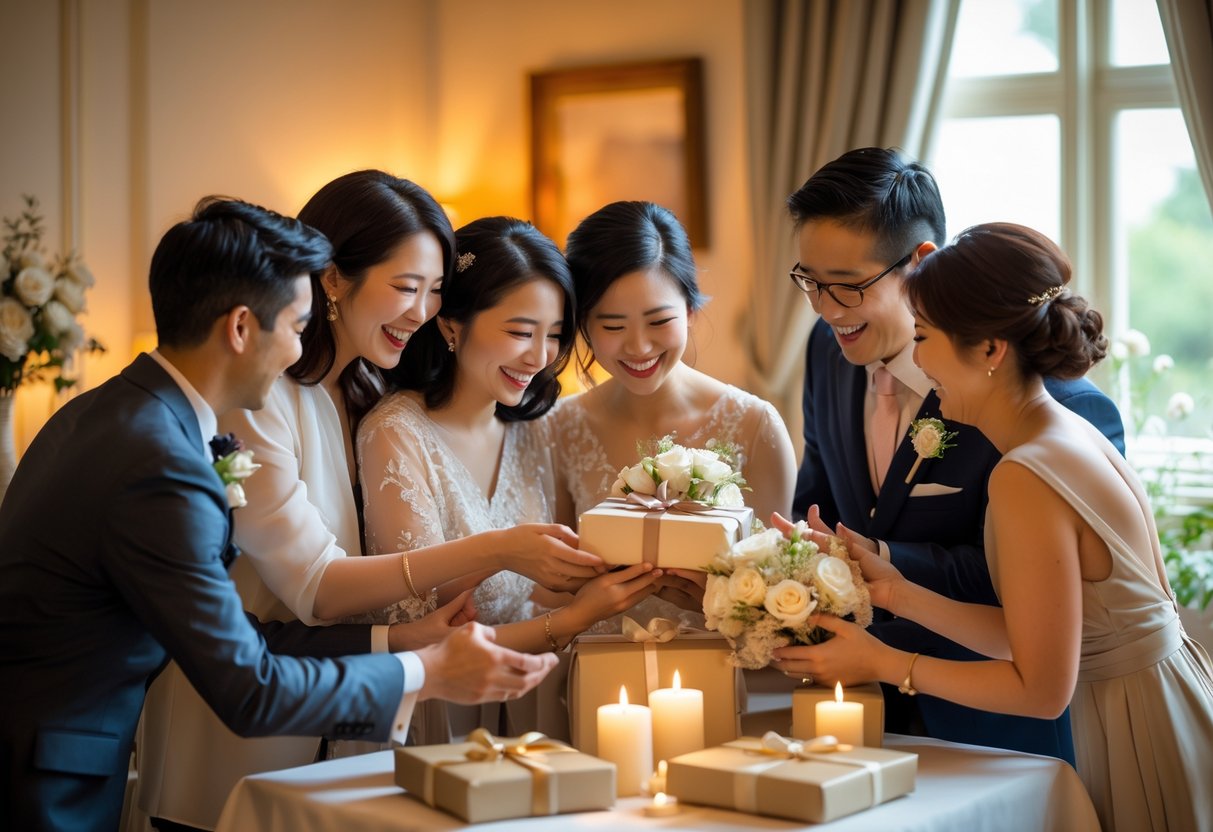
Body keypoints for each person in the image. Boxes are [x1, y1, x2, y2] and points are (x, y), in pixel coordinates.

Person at [0, 196, 557, 832]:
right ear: (241, 328)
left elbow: (240, 628)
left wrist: (401, 641)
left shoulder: (113, 413)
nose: (299, 349)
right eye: (296, 326)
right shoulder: (161, 458)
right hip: (47, 776)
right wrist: (426, 672)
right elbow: (249, 686)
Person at [137, 174, 600, 829]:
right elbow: (315, 586)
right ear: (330, 279)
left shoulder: (355, 390)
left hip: (339, 724)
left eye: (434, 291)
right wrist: (500, 548)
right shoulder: (263, 399)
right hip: (240, 725)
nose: (420, 312)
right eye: (406, 288)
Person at [774, 222, 1213, 832]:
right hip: (1149, 699)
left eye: (925, 338)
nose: (918, 362)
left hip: (1130, 724)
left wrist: (884, 663)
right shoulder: (1058, 432)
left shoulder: (1025, 475)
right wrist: (892, 589)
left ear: (989, 350)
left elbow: (1040, 689)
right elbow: (1021, 635)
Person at [785, 147, 1125, 763]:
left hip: (1004, 734)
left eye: (849, 285)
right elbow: (820, 497)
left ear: (920, 262)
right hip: (859, 710)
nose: (826, 307)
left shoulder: (1061, 411)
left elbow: (1032, 602)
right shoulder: (825, 349)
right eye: (810, 280)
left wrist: (889, 567)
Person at [361, 216, 662, 734]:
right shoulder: (396, 433)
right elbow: (422, 635)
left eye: (553, 335)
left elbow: (546, 582)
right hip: (434, 713)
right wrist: (571, 621)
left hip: (526, 705)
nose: (540, 356)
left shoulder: (532, 429)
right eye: (521, 332)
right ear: (452, 324)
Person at [551, 200, 797, 625]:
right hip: (601, 669)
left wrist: (717, 596)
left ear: (690, 311)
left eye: (658, 321)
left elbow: (782, 591)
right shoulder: (560, 426)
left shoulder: (757, 426)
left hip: (721, 672)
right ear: (584, 326)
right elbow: (553, 584)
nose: (639, 347)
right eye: (612, 327)